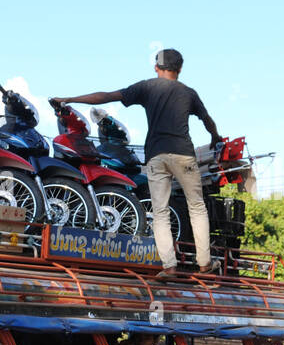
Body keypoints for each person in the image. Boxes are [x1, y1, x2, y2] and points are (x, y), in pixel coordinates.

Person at [57, 48, 223, 279]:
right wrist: (215, 137)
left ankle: (169, 267)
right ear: (180, 69)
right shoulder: (189, 93)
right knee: (196, 207)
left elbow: (106, 96)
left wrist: (71, 99)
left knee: (161, 211)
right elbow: (207, 120)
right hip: (184, 154)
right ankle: (204, 263)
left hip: (157, 156)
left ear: (157, 67)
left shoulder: (146, 87)